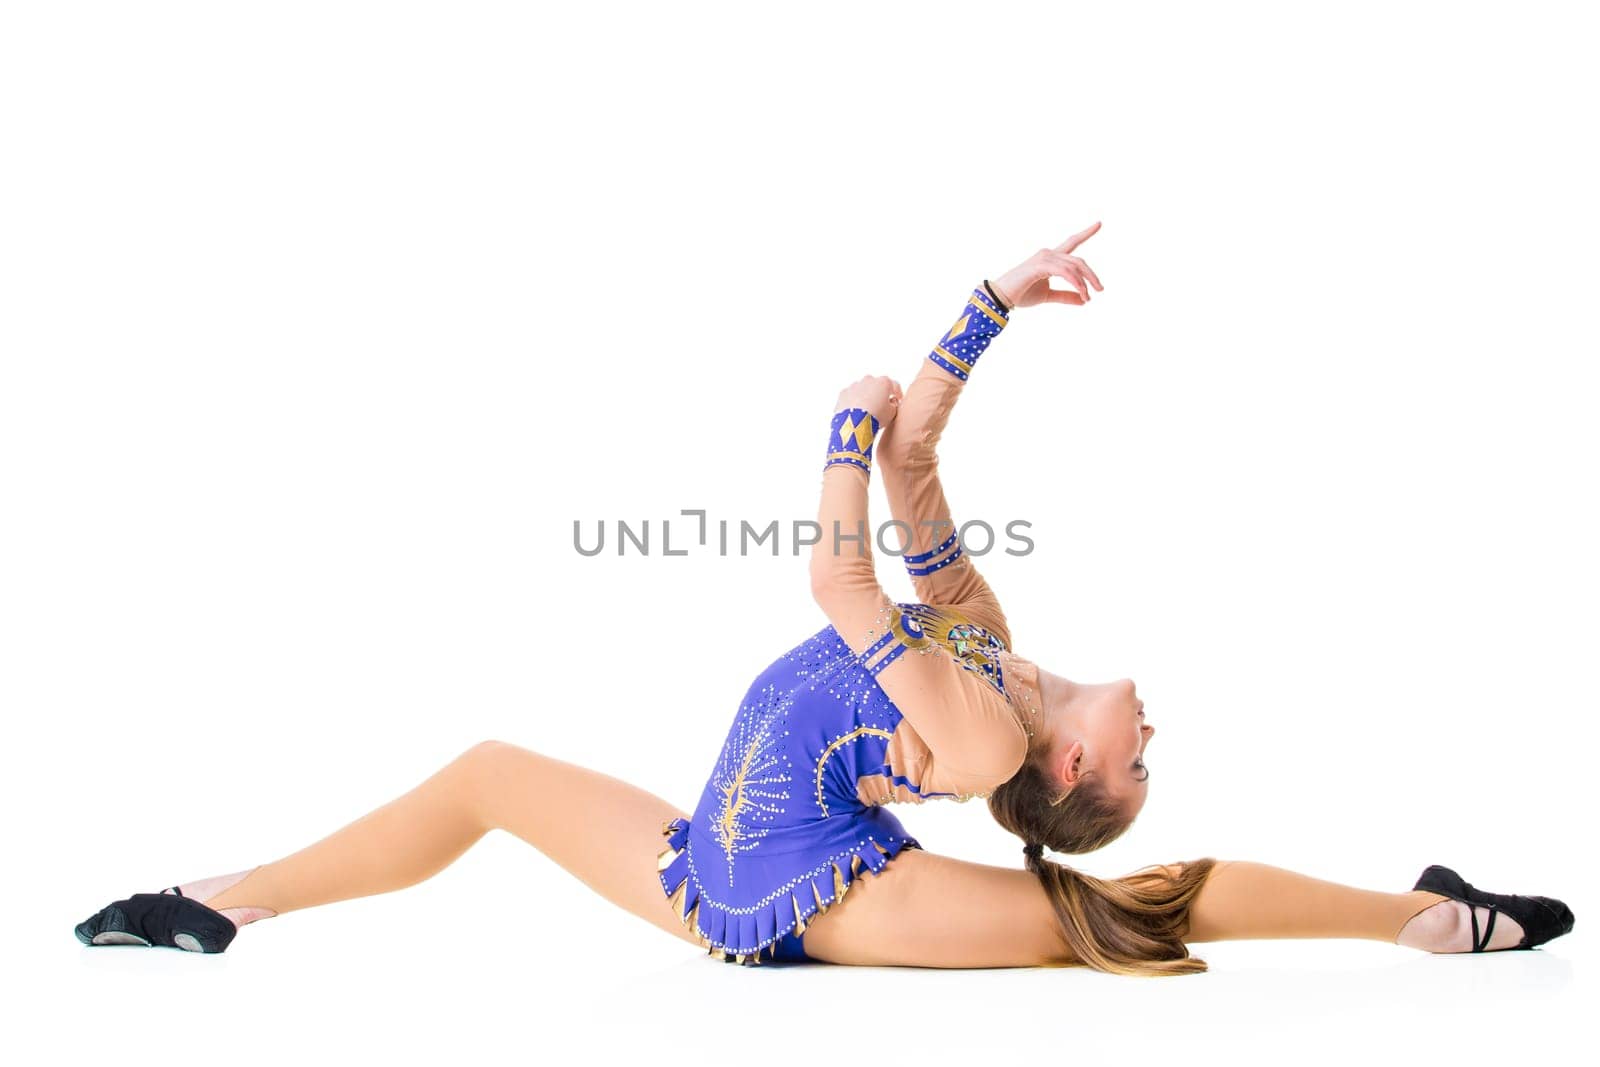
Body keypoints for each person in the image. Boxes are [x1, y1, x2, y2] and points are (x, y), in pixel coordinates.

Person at [74, 224, 1574, 975]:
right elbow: (925, 462)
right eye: (1147, 751)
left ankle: (1428, 925)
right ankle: (223, 902)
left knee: (1121, 917)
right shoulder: (985, 641)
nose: (1148, 733)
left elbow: (836, 566)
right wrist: (992, 303)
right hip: (703, 850)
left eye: (1139, 760)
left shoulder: (981, 740)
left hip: (816, 898)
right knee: (485, 774)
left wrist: (838, 432)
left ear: (1066, 772)